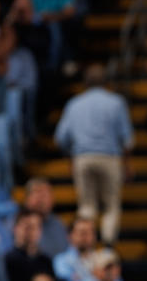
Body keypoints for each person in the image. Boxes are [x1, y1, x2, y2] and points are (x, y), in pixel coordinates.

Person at [54, 63, 133, 244]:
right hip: (110, 158)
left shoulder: (74, 104)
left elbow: (60, 138)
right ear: (106, 82)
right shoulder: (116, 102)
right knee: (111, 206)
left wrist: (71, 158)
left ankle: (85, 243)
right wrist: (127, 165)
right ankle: (107, 246)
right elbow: (127, 139)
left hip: (82, 158)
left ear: (85, 83)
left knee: (87, 205)